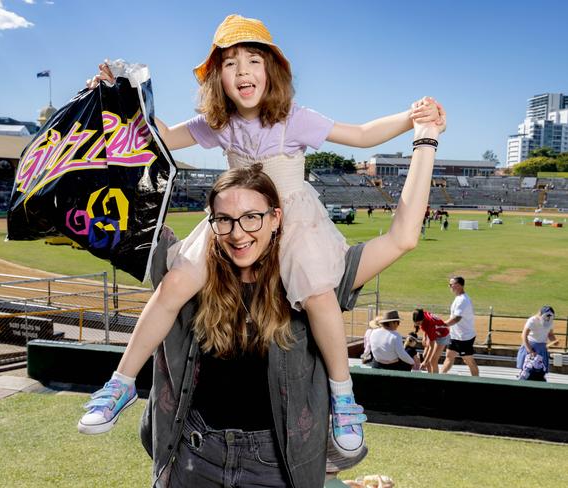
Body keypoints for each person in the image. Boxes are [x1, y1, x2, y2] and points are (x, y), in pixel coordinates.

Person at [80, 13, 444, 459]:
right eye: (230, 64)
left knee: (317, 295)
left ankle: (343, 397)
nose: (243, 72)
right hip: (235, 218)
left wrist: (412, 119)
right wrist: (118, 97)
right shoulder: (217, 122)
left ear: (272, 70)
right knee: (175, 284)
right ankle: (119, 384)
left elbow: (363, 135)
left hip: (291, 219)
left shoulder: (294, 118)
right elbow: (159, 138)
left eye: (253, 60)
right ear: (217, 77)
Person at [138, 134, 443, 486]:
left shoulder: (314, 278)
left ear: (276, 217)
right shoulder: (187, 272)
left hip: (275, 464)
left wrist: (425, 141)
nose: (239, 234)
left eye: (252, 217)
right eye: (226, 219)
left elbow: (402, 238)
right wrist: (113, 102)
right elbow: (117, 214)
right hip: (194, 454)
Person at [441, 277, 479, 376]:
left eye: (451, 284)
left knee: (469, 361)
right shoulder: (458, 298)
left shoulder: (463, 300)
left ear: (458, 285)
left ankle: (477, 382)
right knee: (449, 356)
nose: (449, 286)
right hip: (455, 335)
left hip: (464, 337)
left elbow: (457, 318)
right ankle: (440, 377)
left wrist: (443, 325)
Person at [516, 305, 557, 376]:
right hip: (531, 347)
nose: (548, 318)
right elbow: (524, 335)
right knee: (526, 371)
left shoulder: (550, 321)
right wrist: (530, 350)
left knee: (540, 372)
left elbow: (550, 334)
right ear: (540, 314)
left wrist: (554, 340)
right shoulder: (532, 320)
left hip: (542, 349)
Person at [412, 308, 450, 373]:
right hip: (434, 332)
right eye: (416, 322)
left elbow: (431, 347)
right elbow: (426, 328)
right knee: (425, 355)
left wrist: (425, 362)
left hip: (443, 335)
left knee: (433, 360)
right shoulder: (422, 314)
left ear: (422, 319)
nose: (417, 324)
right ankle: (430, 375)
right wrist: (425, 336)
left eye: (418, 323)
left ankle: (435, 379)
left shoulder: (429, 325)